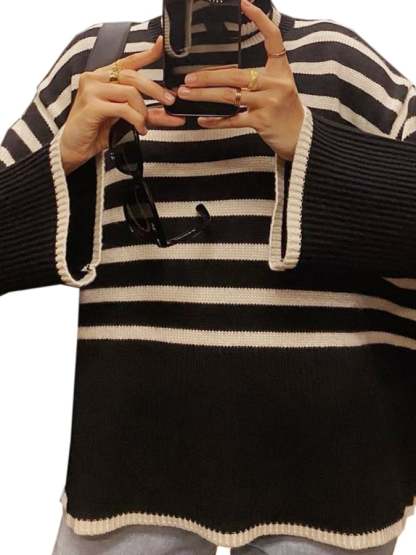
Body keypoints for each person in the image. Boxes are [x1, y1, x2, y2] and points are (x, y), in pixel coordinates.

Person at [1, 0, 415, 554]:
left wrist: (311, 141)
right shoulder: (97, 65)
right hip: (130, 462)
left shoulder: (339, 60)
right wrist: (66, 153)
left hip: (329, 477)